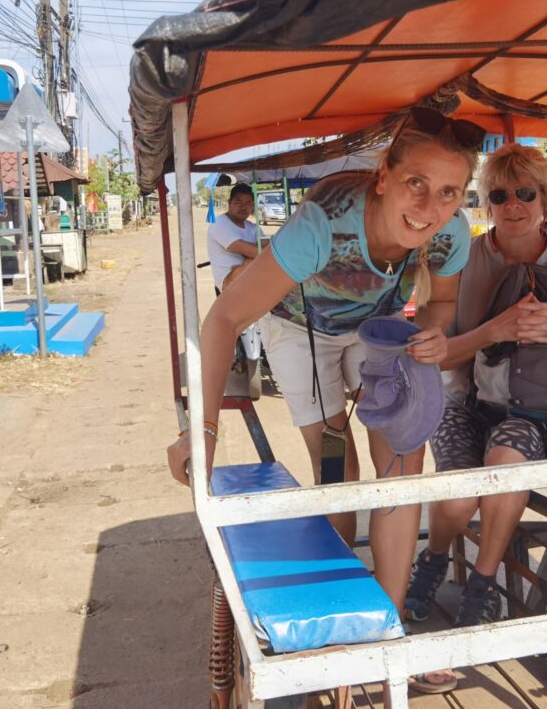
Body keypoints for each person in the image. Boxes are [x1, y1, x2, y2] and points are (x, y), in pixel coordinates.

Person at [167, 106, 484, 612]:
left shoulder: (450, 233)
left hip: (377, 328)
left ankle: (389, 623)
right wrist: (204, 429)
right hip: (300, 327)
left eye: (449, 192)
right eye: (416, 183)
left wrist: (432, 334)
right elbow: (224, 319)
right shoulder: (322, 225)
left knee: (403, 462)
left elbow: (442, 302)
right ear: (384, 177)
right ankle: (345, 604)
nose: (430, 207)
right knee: (338, 468)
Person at [401, 143, 547, 693]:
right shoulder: (463, 260)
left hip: (538, 413)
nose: (513, 205)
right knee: (457, 498)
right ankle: (434, 557)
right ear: (487, 204)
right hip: (465, 400)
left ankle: (483, 585)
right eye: (499, 195)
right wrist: (493, 331)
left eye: (525, 193)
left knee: (505, 462)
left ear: (545, 200)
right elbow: (433, 355)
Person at [205, 183, 267, 291]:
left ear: (253, 205)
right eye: (238, 202)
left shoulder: (253, 228)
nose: (243, 207)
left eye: (248, 203)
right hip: (229, 283)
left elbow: (267, 247)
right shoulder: (220, 224)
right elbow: (260, 253)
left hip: (249, 278)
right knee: (253, 262)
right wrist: (254, 253)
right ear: (230, 203)